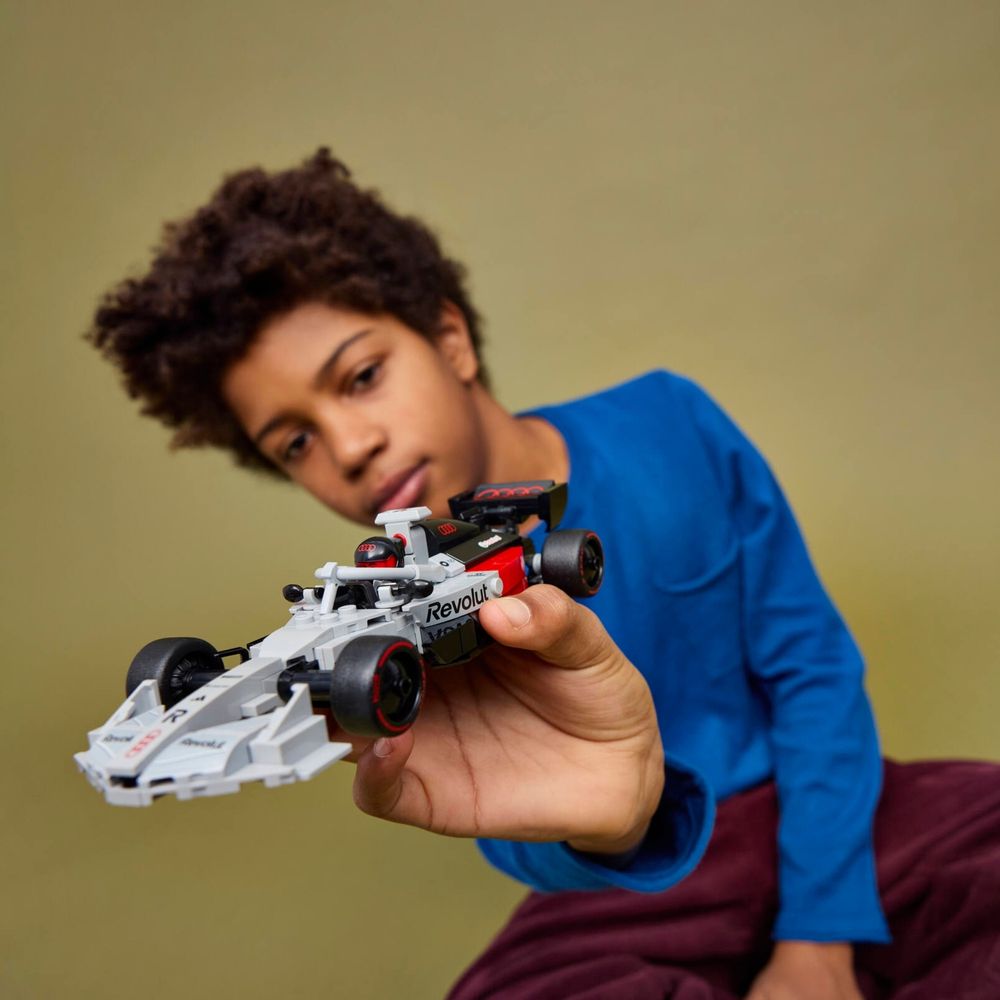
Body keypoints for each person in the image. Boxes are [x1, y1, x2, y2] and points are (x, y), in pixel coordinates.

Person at [88, 149, 1000, 999]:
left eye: (361, 376)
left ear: (449, 338)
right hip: (625, 879)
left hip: (826, 815)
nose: (350, 447)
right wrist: (614, 827)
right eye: (296, 442)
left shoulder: (671, 424)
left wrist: (817, 942)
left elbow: (813, 670)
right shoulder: (395, 610)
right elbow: (512, 815)